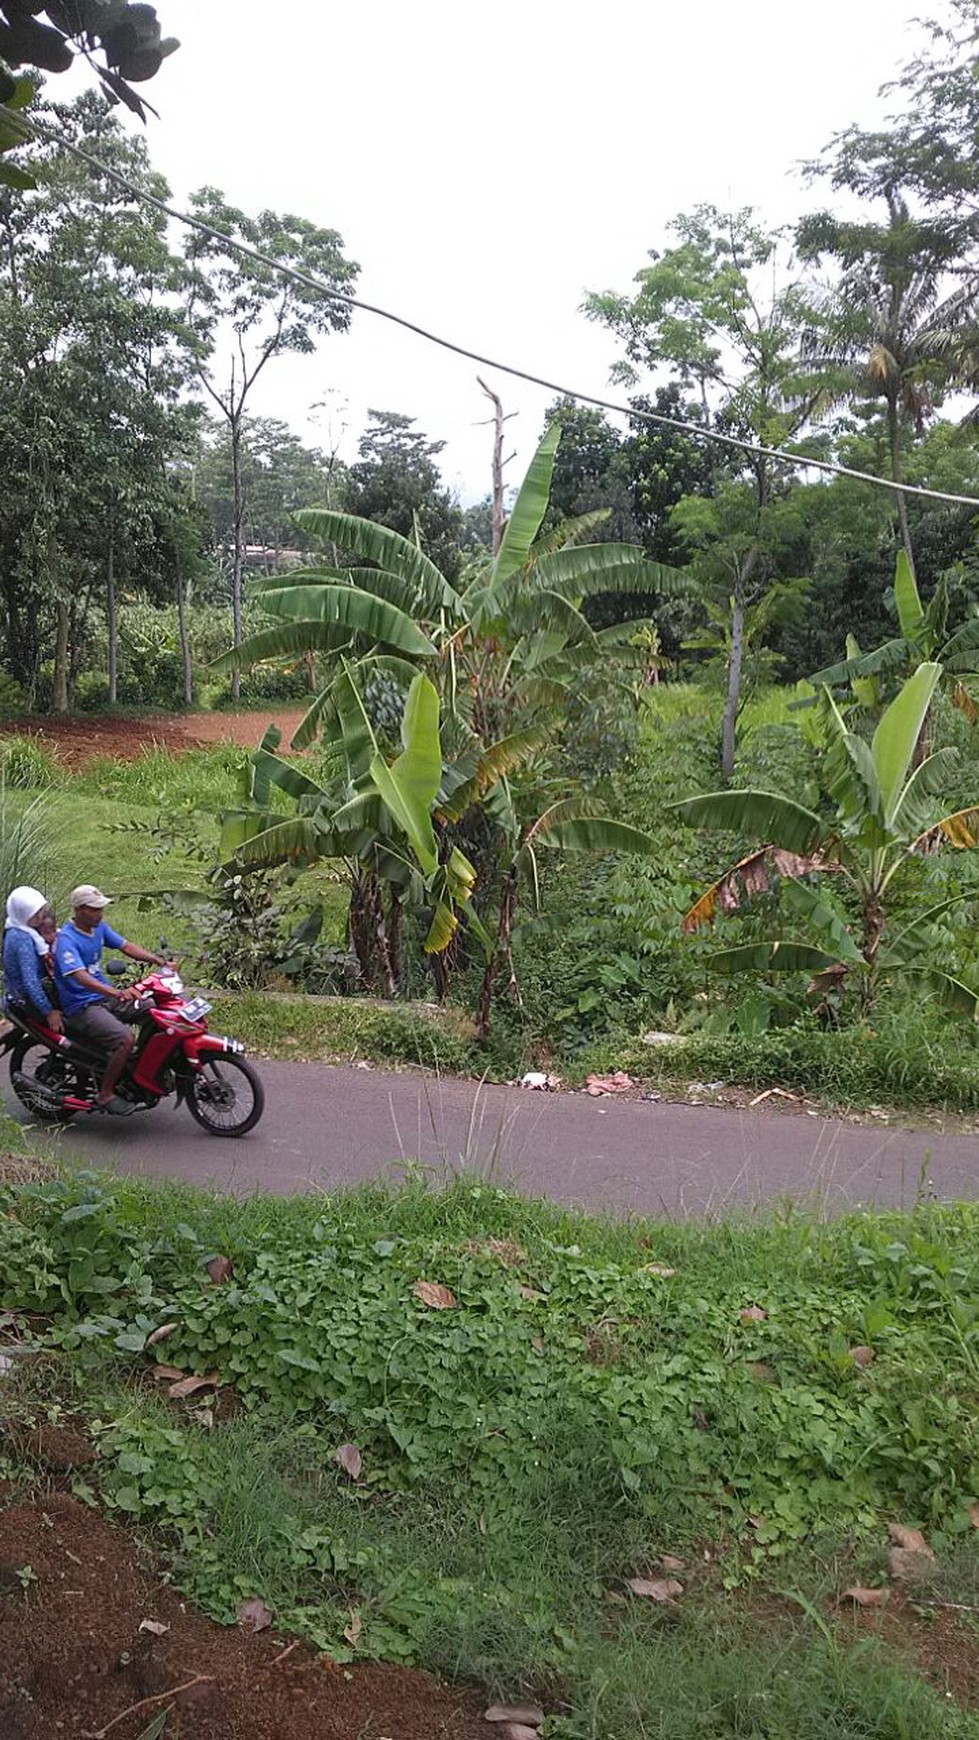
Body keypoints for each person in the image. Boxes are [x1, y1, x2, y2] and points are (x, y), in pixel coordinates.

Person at [54, 884, 168, 1115]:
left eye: (101, 908)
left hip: (104, 996)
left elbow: (126, 946)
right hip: (82, 1006)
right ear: (80, 910)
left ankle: (137, 1067)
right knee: (125, 1039)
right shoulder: (67, 940)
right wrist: (115, 992)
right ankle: (105, 1093)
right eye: (95, 909)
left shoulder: (98, 928)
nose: (100, 913)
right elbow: (81, 977)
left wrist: (158, 961)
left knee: (155, 1010)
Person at [3, 886, 63, 1034]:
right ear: (23, 914)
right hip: (28, 998)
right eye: (35, 914)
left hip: (26, 991)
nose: (41, 917)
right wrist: (48, 1011)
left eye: (40, 911)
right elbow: (30, 982)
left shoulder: (19, 927)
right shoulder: (22, 939)